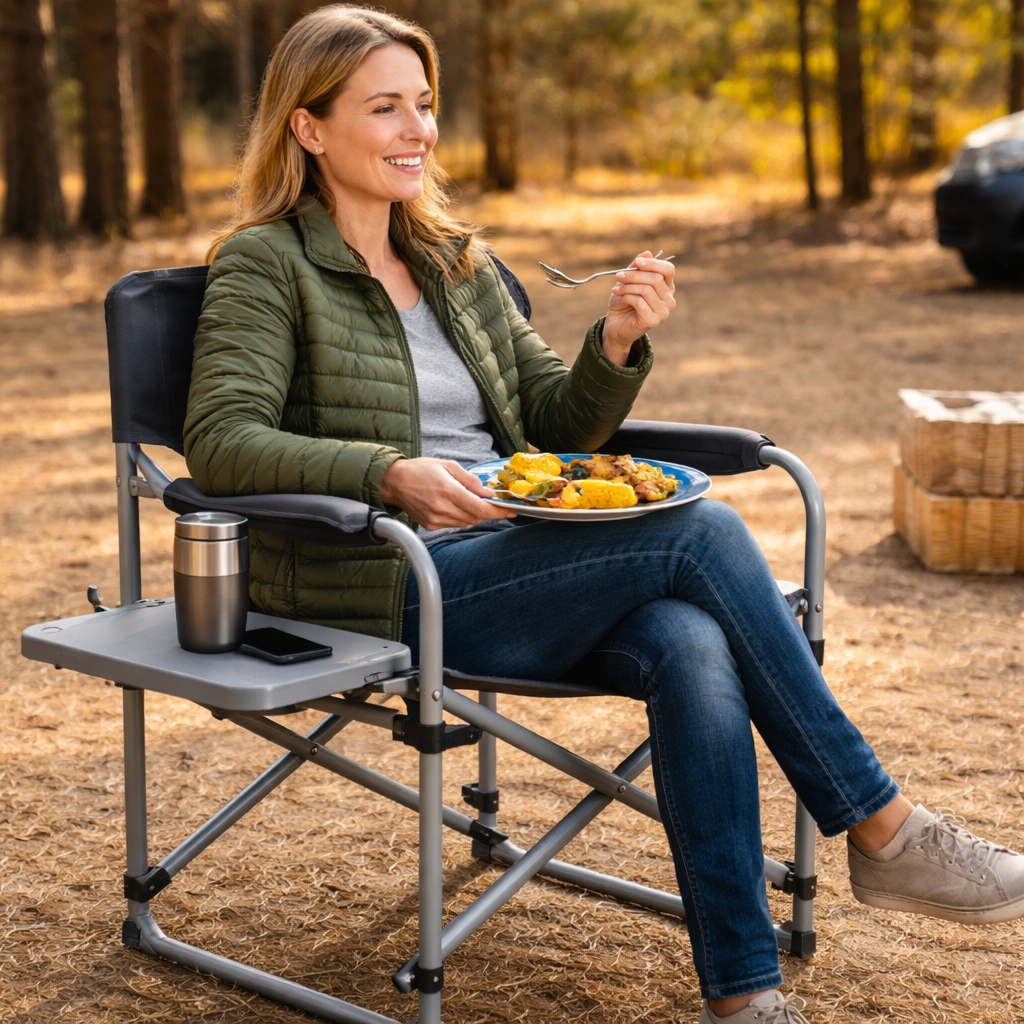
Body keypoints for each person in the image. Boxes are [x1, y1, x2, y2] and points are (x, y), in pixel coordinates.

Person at [183, 7, 1024, 1022]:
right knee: (702, 529)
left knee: (688, 639)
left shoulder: (451, 259)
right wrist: (387, 473)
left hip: (509, 562)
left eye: (426, 104)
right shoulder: (265, 263)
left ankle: (743, 998)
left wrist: (617, 339)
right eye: (384, 108)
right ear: (308, 128)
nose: (418, 130)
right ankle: (883, 827)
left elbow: (551, 423)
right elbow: (222, 440)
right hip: (380, 575)